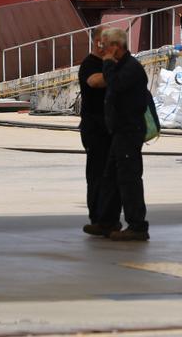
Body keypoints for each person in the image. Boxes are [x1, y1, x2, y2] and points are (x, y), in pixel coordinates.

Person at [94, 26, 150, 241]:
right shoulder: (122, 66)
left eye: (105, 46)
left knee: (129, 179)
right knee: (111, 177)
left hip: (129, 131)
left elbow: (114, 85)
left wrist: (107, 63)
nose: (102, 50)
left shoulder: (130, 68)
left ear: (116, 47)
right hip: (119, 132)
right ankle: (106, 221)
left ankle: (138, 225)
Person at [77, 31, 110, 235]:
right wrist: (115, 68)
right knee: (97, 173)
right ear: (99, 44)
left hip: (111, 128)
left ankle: (109, 217)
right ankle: (98, 217)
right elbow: (95, 82)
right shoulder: (89, 64)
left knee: (111, 175)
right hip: (95, 129)